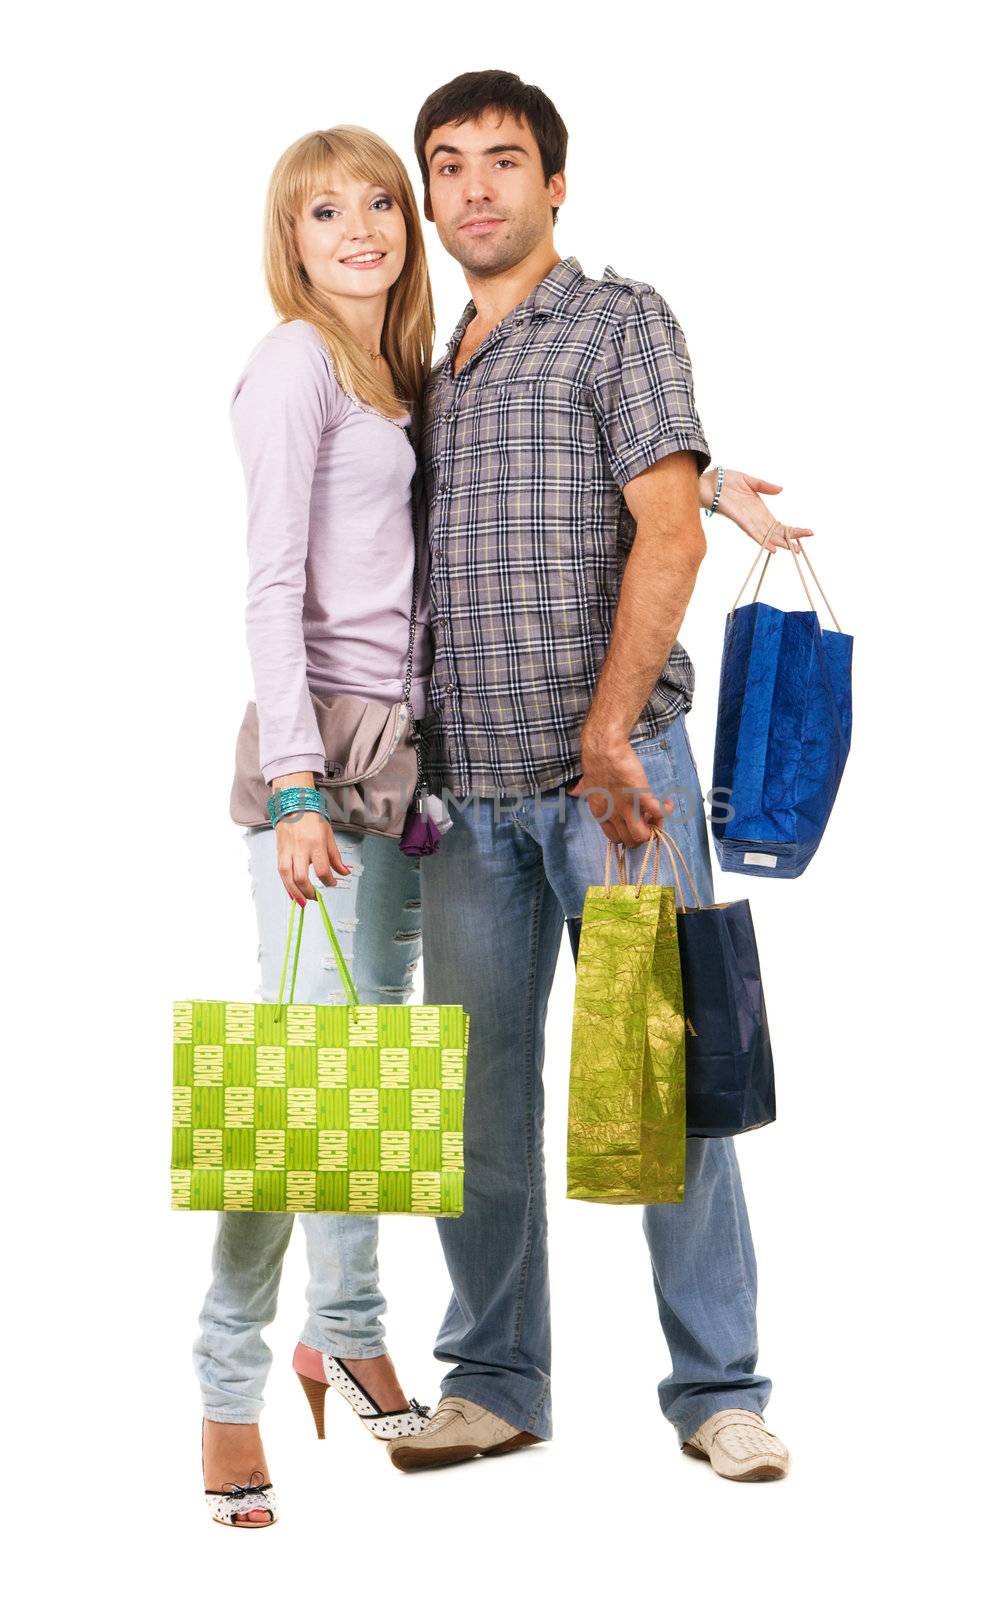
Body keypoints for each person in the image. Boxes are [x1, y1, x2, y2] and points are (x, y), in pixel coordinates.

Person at [386, 70, 802, 1483]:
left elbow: (663, 537)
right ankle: (493, 1380)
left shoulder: (617, 319)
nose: (475, 189)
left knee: (661, 1088)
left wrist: (610, 731)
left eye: (503, 162)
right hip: (465, 805)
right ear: (429, 193)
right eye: (447, 166)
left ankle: (718, 1390)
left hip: (613, 794)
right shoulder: (430, 364)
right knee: (472, 1101)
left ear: (554, 182)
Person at [194, 124, 439, 1527]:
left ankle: (342, 1327)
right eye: (325, 210)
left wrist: (700, 480)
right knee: (294, 1099)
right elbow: (267, 582)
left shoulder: (398, 372)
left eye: (379, 204)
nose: (361, 228)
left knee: (365, 1073)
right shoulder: (292, 363)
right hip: (321, 768)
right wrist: (293, 785)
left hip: (409, 773)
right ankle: (227, 1388)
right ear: (290, 239)